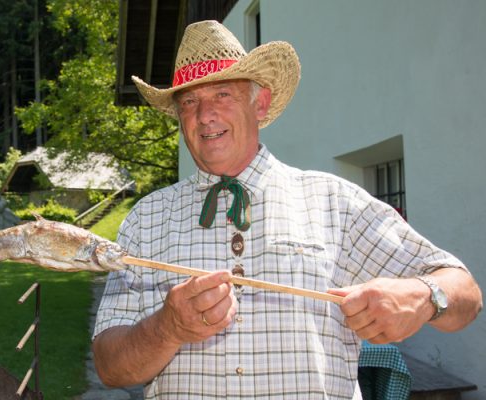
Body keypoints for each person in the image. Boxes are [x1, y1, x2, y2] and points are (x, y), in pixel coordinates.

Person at [92, 20, 482, 399]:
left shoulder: (335, 202)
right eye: (189, 101)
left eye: (222, 94)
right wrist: (167, 328)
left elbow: (466, 293)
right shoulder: (146, 220)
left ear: (258, 103)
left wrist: (423, 296)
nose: (204, 114)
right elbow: (109, 367)